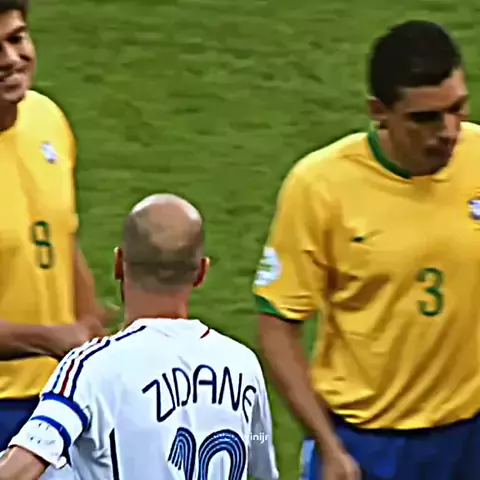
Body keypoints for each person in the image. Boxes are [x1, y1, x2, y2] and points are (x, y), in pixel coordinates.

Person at [253, 20, 480, 480]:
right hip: (368, 444)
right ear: (380, 111)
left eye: (457, 108)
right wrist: (328, 445)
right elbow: (277, 325)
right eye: (425, 118)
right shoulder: (320, 186)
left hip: (470, 436)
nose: (448, 130)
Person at [0, 193, 279, 480]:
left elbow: (21, 467)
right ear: (201, 272)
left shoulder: (93, 368)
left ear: (119, 263)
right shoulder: (243, 365)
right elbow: (258, 449)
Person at [0, 0, 111, 454]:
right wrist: (47, 337)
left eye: (16, 38)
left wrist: (89, 329)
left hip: (60, 395)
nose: (11, 59)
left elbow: (60, 236)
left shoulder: (47, 118)